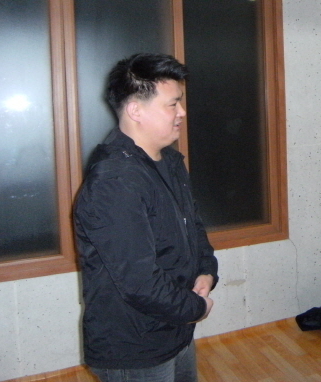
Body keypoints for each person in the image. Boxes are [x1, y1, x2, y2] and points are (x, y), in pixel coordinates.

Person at [74, 53, 219, 382]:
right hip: (134, 345)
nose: (182, 112)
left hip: (174, 327)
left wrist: (206, 269)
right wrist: (196, 308)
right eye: (173, 104)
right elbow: (139, 281)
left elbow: (193, 228)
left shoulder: (169, 161)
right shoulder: (115, 181)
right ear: (135, 110)